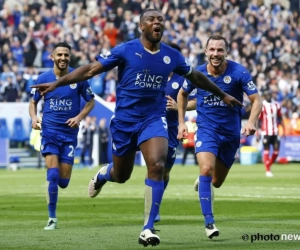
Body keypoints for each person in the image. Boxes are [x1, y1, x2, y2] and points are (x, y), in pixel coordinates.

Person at [31, 10, 242, 246]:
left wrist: (222, 94)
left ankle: (148, 228)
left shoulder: (172, 55)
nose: (157, 23)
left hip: (153, 119)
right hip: (124, 122)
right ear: (142, 26)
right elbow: (90, 70)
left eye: (160, 20)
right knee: (121, 175)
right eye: (151, 20)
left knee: (158, 165)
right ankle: (104, 174)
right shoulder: (125, 50)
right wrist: (57, 83)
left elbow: (196, 78)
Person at [177, 35, 262, 239]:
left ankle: (204, 181)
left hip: (231, 134)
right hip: (206, 129)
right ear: (205, 52)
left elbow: (257, 100)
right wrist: (181, 122)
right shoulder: (196, 73)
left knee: (216, 182)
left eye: (220, 50)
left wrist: (251, 122)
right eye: (212, 50)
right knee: (206, 168)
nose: (216, 54)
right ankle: (209, 223)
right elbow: (182, 94)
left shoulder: (239, 72)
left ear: (226, 52)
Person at [29, 42, 95, 230]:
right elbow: (32, 103)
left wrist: (79, 116)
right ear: (52, 57)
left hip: (69, 134)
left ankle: (54, 184)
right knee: (54, 174)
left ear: (69, 57)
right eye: (59, 55)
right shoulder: (44, 78)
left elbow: (91, 102)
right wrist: (34, 118)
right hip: (49, 131)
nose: (63, 58)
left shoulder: (78, 77)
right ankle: (52, 218)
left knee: (64, 182)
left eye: (66, 55)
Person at [153, 42, 196, 223]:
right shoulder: (153, 74)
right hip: (151, 124)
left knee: (165, 171)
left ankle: (155, 205)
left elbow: (196, 101)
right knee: (154, 166)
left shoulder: (183, 78)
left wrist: (179, 106)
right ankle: (152, 208)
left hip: (171, 129)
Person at [257, 90, 285, 177]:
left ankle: (268, 164)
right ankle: (268, 170)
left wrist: (284, 130)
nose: (268, 95)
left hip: (275, 131)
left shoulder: (277, 105)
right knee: (266, 150)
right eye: (266, 94)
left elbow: (280, 117)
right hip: (265, 132)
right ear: (264, 95)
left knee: (276, 152)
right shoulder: (262, 105)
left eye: (269, 94)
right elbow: (258, 119)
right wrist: (258, 131)